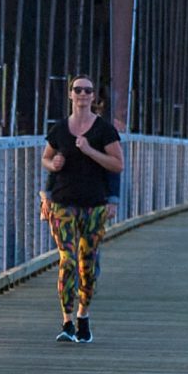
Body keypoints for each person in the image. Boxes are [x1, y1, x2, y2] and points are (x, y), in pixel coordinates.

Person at [41, 76, 123, 343]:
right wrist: (52, 166)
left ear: (93, 98)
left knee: (87, 265)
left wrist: (89, 151)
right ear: (70, 95)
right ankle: (66, 322)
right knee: (68, 259)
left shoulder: (104, 131)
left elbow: (117, 165)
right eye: (78, 90)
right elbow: (47, 158)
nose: (83, 94)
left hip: (94, 206)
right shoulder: (60, 129)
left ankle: (83, 316)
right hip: (62, 203)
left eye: (88, 90)